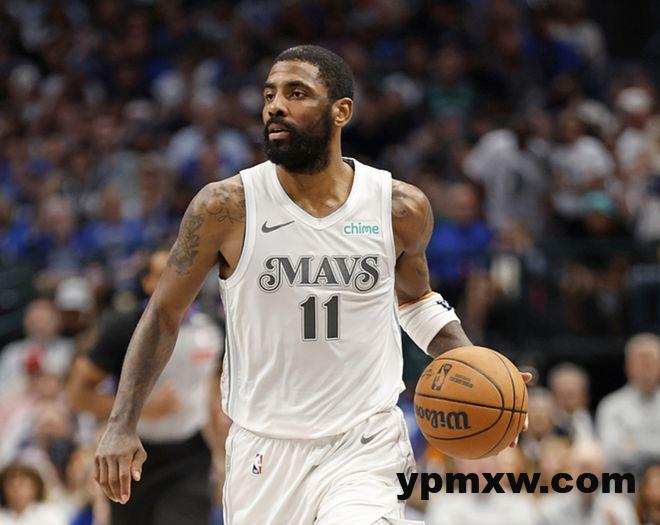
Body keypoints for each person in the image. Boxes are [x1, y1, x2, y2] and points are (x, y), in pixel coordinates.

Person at [93, 45, 530, 525]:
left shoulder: (398, 207)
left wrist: (477, 366)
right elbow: (163, 314)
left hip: (364, 441)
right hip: (264, 448)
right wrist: (121, 422)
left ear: (341, 110)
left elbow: (417, 303)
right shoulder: (224, 207)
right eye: (269, 95)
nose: (275, 106)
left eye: (296, 93)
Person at [67, 250, 223, 525]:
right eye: (164, 274)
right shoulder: (122, 328)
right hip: (132, 454)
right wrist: (144, 408)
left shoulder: (213, 329)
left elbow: (212, 395)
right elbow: (77, 396)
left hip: (192, 455)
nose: (177, 280)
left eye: (185, 273)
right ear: (147, 281)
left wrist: (222, 454)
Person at [596, 333, 660, 479]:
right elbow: (610, 453)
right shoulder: (611, 406)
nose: (646, 367)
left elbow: (626, 449)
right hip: (625, 483)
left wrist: (635, 442)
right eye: (641, 361)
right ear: (628, 366)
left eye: (651, 361)